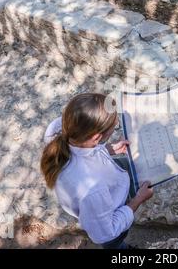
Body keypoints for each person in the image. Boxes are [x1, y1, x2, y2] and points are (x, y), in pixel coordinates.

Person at [41, 93, 153, 249]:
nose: (117, 124)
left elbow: (83, 149)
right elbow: (106, 232)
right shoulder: (93, 189)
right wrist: (137, 200)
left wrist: (107, 149)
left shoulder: (62, 128)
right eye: (114, 126)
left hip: (98, 197)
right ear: (96, 137)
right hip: (109, 225)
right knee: (115, 244)